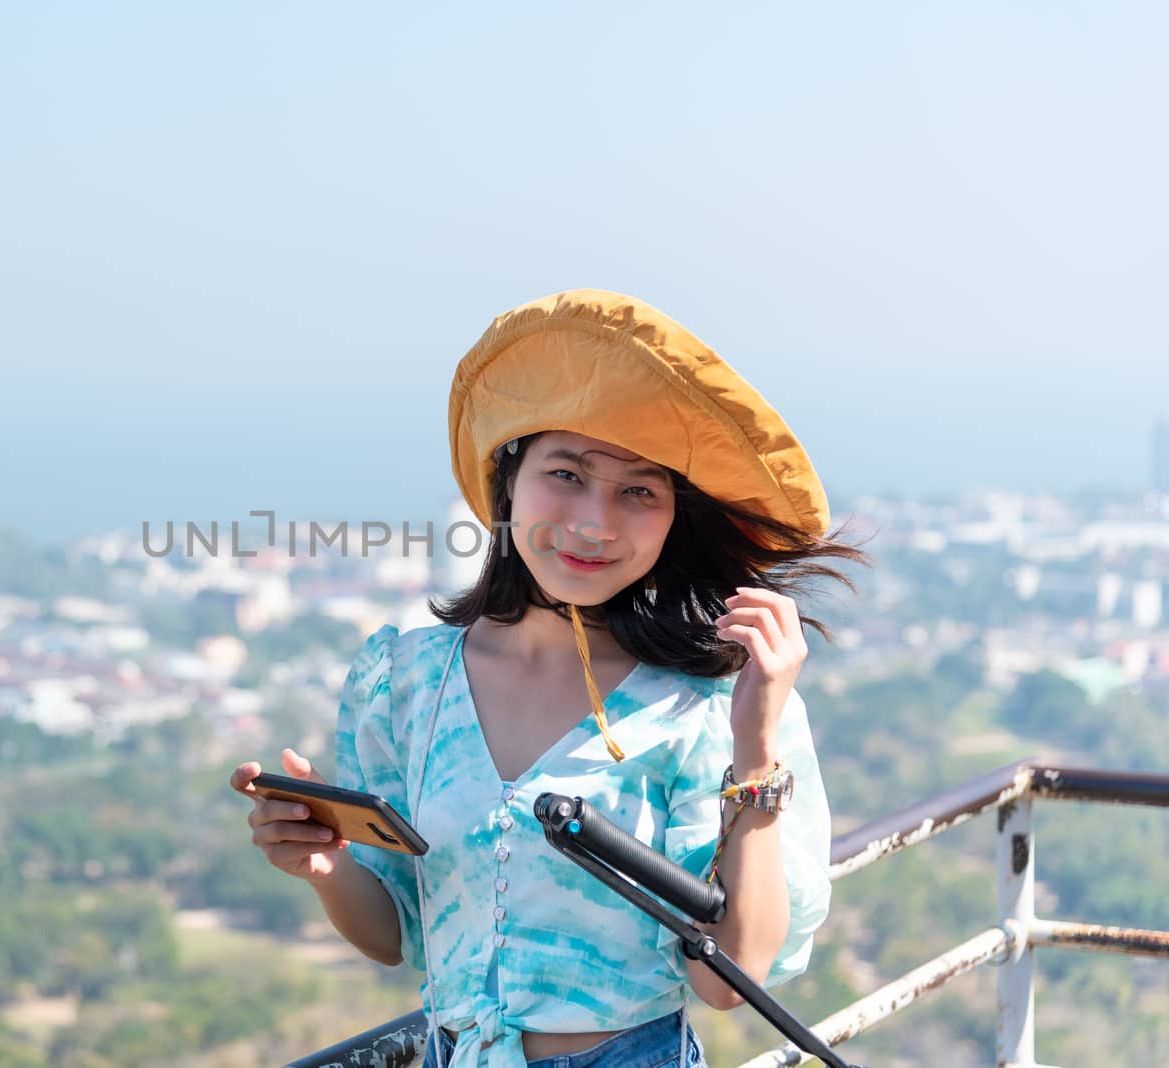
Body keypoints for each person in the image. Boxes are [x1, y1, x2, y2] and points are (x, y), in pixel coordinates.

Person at [231, 290, 866, 1068]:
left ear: (673, 518)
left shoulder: (709, 706)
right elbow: (397, 934)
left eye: (639, 490)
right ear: (509, 480)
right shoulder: (404, 682)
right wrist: (325, 867)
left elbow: (730, 978)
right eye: (566, 473)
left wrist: (757, 743)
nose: (594, 522)